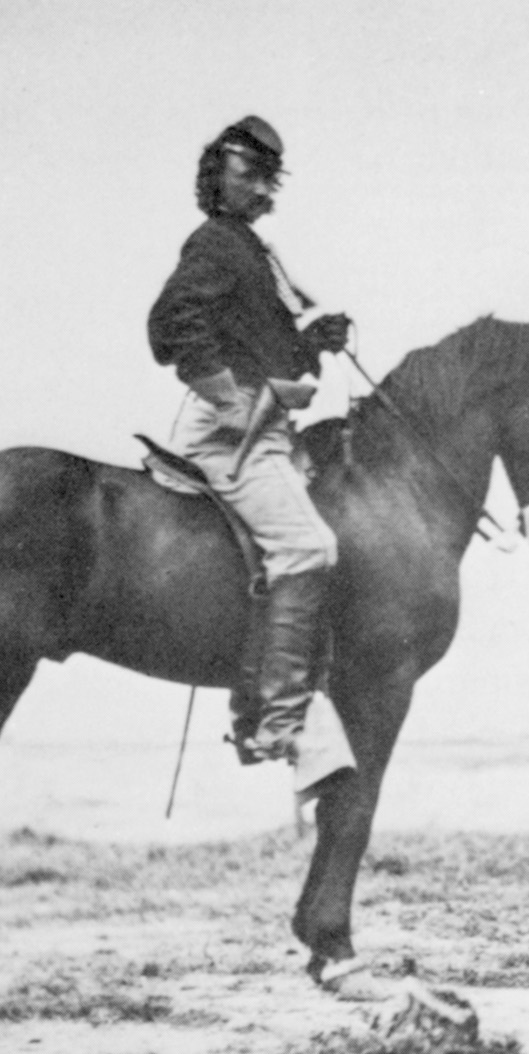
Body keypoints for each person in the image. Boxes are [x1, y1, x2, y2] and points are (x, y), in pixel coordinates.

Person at [148, 116, 353, 764]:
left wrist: (309, 343)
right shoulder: (215, 243)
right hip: (234, 433)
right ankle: (278, 724)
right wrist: (227, 396)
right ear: (217, 180)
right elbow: (170, 323)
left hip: (269, 423)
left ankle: (254, 704)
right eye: (249, 177)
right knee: (308, 547)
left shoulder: (248, 248)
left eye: (270, 180)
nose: (263, 191)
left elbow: (255, 342)